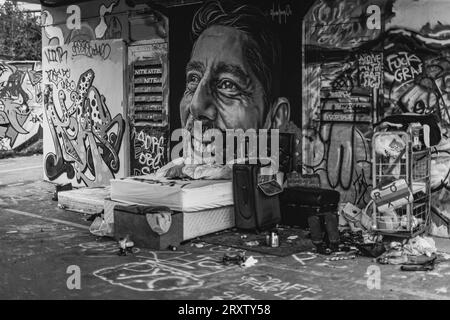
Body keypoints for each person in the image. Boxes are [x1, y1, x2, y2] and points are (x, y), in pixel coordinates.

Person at [164, 0, 291, 178]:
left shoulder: (272, 188)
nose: (196, 105)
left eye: (227, 84)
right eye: (193, 79)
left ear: (275, 117)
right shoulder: (174, 176)